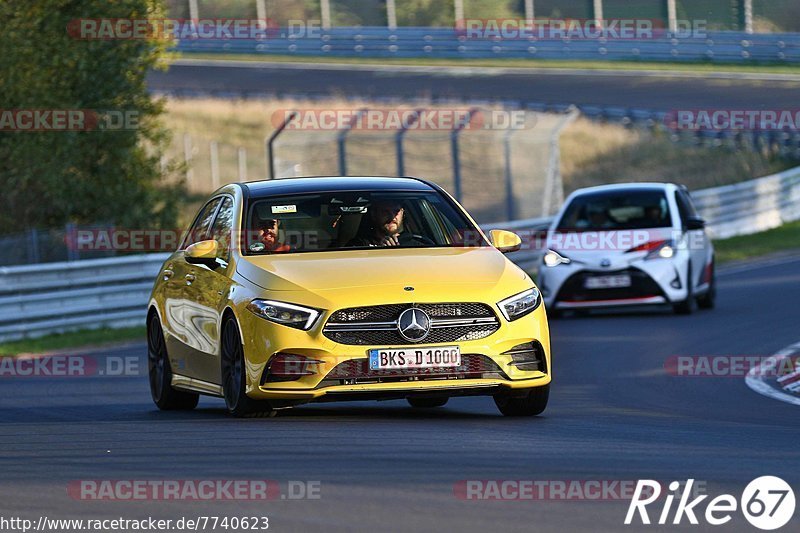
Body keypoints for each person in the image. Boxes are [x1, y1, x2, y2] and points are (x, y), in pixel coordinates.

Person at [349, 200, 415, 247]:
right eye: (386, 212)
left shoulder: (415, 245)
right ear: (374, 214)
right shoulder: (358, 246)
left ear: (402, 213)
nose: (392, 217)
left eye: (396, 211)